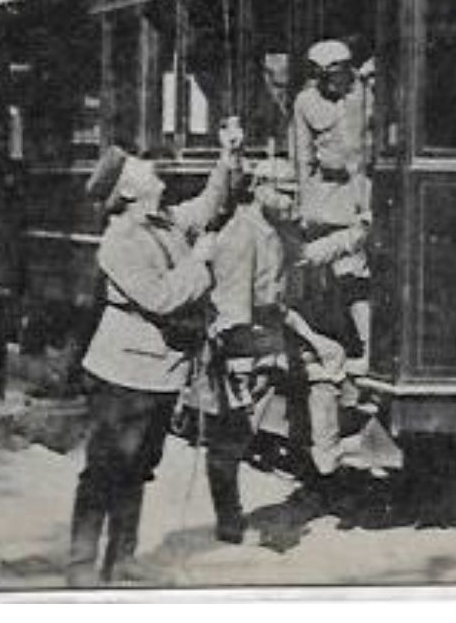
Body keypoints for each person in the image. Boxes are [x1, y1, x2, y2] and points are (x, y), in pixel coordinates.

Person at [67, 127, 242, 587]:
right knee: (105, 469)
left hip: (160, 372)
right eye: (141, 165)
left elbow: (207, 206)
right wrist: (199, 262)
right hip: (123, 374)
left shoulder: (161, 221)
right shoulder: (119, 242)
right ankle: (80, 569)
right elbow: (162, 298)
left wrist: (227, 155)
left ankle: (121, 561)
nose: (153, 167)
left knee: (138, 469)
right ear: (128, 188)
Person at [197, 155, 302, 545]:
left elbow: (302, 257)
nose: (291, 200)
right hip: (244, 346)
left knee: (240, 435)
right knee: (230, 436)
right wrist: (240, 360)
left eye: (294, 192)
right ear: (259, 189)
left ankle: (232, 515)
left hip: (267, 338)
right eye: (283, 192)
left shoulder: (272, 229)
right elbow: (232, 302)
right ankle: (228, 519)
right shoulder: (243, 233)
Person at [290, 39, 373, 371]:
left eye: (334, 74)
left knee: (354, 272)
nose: (328, 82)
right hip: (326, 198)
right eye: (320, 75)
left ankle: (367, 347)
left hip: (364, 191)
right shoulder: (306, 102)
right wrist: (305, 204)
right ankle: (323, 343)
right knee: (317, 274)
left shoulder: (366, 94)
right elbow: (302, 156)